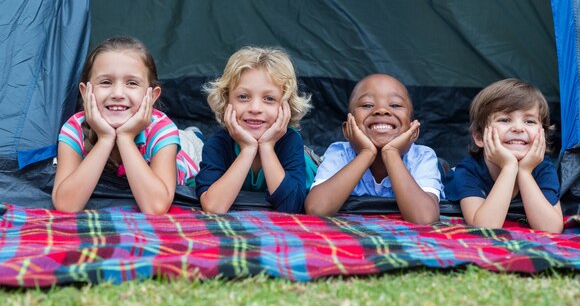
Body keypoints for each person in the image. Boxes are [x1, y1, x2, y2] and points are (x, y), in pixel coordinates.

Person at [53, 36, 197, 214]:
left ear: (152, 95)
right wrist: (105, 139)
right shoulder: (73, 128)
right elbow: (65, 204)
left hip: (186, 156)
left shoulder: (162, 130)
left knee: (192, 142)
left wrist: (126, 138)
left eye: (132, 83)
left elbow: (156, 207)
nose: (118, 93)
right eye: (106, 82)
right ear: (85, 92)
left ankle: (193, 135)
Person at [305, 74, 442, 224]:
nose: (381, 110)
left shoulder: (422, 157)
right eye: (367, 105)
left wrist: (391, 153)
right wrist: (366, 153)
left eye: (395, 105)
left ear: (413, 130)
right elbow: (316, 209)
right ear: (347, 130)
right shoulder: (339, 153)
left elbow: (424, 218)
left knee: (442, 168)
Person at [196, 46, 312, 214]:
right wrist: (248, 149)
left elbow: (290, 206)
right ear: (226, 101)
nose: (255, 108)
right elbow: (213, 207)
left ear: (285, 106)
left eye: (269, 98)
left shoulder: (290, 141)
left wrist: (266, 146)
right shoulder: (218, 144)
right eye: (243, 97)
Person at [443, 78, 563, 232]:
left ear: (543, 135)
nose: (518, 128)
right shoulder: (467, 171)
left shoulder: (543, 168)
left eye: (529, 121)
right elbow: (485, 227)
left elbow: (551, 228)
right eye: (505, 119)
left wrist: (525, 172)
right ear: (479, 136)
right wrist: (509, 167)